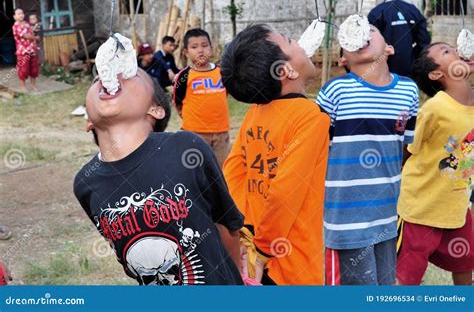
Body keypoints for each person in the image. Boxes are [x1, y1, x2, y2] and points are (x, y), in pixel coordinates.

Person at [74, 68, 243, 285]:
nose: (109, 78)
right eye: (98, 78)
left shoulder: (185, 148)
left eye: (128, 75)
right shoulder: (86, 183)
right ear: (88, 121)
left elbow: (227, 225)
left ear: (156, 110)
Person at [221, 24, 330, 285]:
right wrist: (264, 249)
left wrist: (246, 236)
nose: (301, 44)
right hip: (290, 264)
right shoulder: (311, 118)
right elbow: (285, 192)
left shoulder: (254, 113)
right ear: (285, 71)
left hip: (251, 252)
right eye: (292, 40)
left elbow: (232, 176)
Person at [316, 24, 419, 285]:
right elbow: (316, 147)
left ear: (389, 48)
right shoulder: (335, 91)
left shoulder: (408, 91)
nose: (363, 34)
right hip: (345, 218)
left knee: (384, 289)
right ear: (343, 58)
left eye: (371, 30)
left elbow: (407, 149)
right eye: (354, 32)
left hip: (387, 214)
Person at [396, 42, 473, 285]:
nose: (457, 51)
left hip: (456, 209)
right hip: (420, 209)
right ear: (436, 74)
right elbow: (407, 150)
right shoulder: (435, 108)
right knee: (408, 277)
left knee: (466, 262)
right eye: (447, 51)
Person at [173, 29, 230, 168]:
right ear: (186, 52)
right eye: (194, 47)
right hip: (195, 134)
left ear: (211, 48)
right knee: (196, 172)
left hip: (221, 134)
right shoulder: (184, 76)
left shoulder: (222, 72)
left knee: (220, 171)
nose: (200, 50)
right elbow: (178, 101)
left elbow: (224, 95)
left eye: (205, 45)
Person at [368, 0, 431, 77]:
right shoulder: (413, 10)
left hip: (384, 74)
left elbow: (370, 46)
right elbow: (424, 42)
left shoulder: (376, 13)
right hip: (410, 73)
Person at [12, 8, 40, 92]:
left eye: (22, 13)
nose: (21, 15)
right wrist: (35, 37)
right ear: (14, 16)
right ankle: (22, 86)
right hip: (22, 51)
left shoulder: (27, 24)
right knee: (23, 69)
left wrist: (35, 46)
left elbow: (31, 33)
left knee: (34, 68)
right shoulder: (16, 25)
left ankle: (34, 85)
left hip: (32, 49)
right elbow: (26, 36)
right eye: (18, 13)